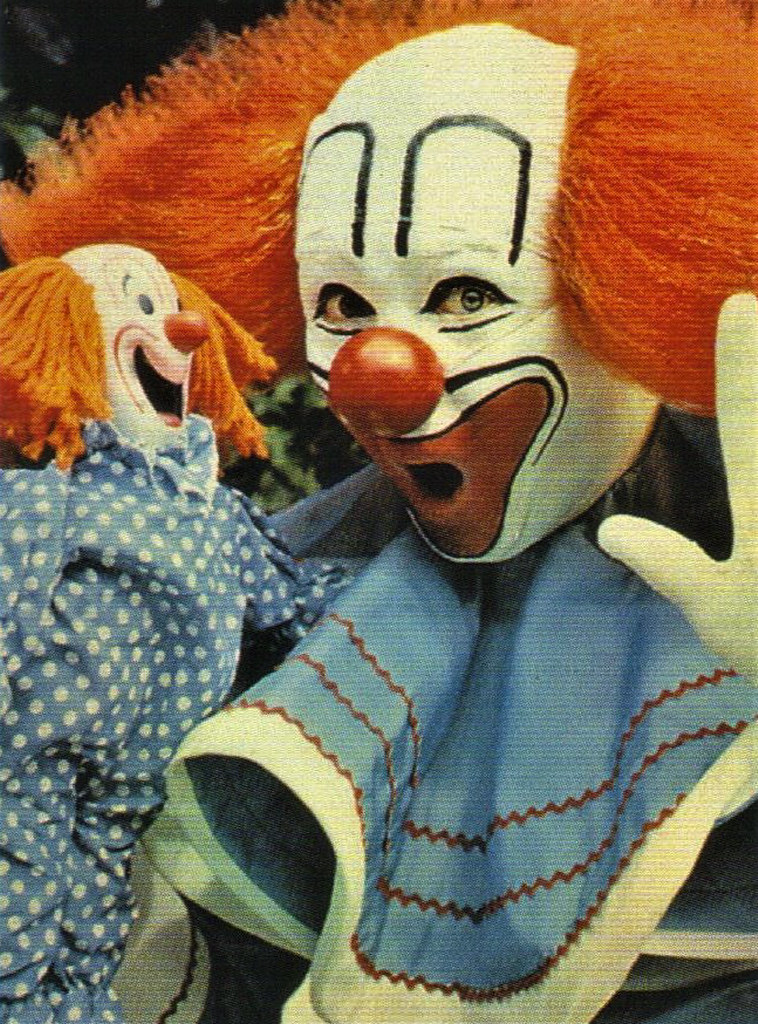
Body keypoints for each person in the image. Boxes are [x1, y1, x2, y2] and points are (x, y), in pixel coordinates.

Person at [1, 3, 755, 1022]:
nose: (375, 375)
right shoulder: (282, 578)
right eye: (344, 307)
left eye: (465, 295)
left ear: (622, 278)